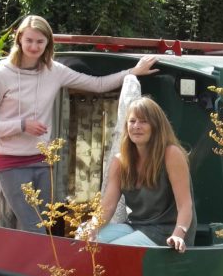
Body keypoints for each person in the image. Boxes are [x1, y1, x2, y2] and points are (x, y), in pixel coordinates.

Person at [0, 15, 158, 232]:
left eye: (40, 42)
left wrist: (133, 72)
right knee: (35, 228)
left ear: (48, 44)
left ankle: (39, 265)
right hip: (10, 162)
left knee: (44, 226)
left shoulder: (54, 71)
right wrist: (22, 125)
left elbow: (97, 85)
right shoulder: (0, 75)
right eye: (29, 40)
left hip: (42, 160)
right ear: (19, 39)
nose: (34, 46)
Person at [83, 97, 195, 253]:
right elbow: (107, 206)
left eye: (143, 121)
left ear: (156, 126)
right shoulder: (119, 161)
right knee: (82, 238)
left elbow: (185, 205)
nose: (136, 126)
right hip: (135, 226)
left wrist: (178, 235)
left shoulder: (171, 154)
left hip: (167, 232)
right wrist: (92, 227)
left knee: (115, 250)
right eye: (132, 121)